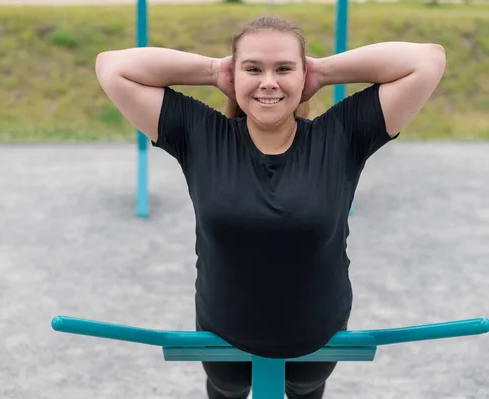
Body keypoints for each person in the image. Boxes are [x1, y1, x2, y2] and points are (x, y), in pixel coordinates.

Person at [95, 16, 446, 399]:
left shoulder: (342, 134)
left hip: (316, 336)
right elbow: (112, 66)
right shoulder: (199, 134)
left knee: (306, 389)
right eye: (252, 69)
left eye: (284, 68)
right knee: (225, 390)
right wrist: (213, 70)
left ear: (303, 75)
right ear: (234, 76)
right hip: (222, 334)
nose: (268, 82)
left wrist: (324, 71)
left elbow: (428, 60)